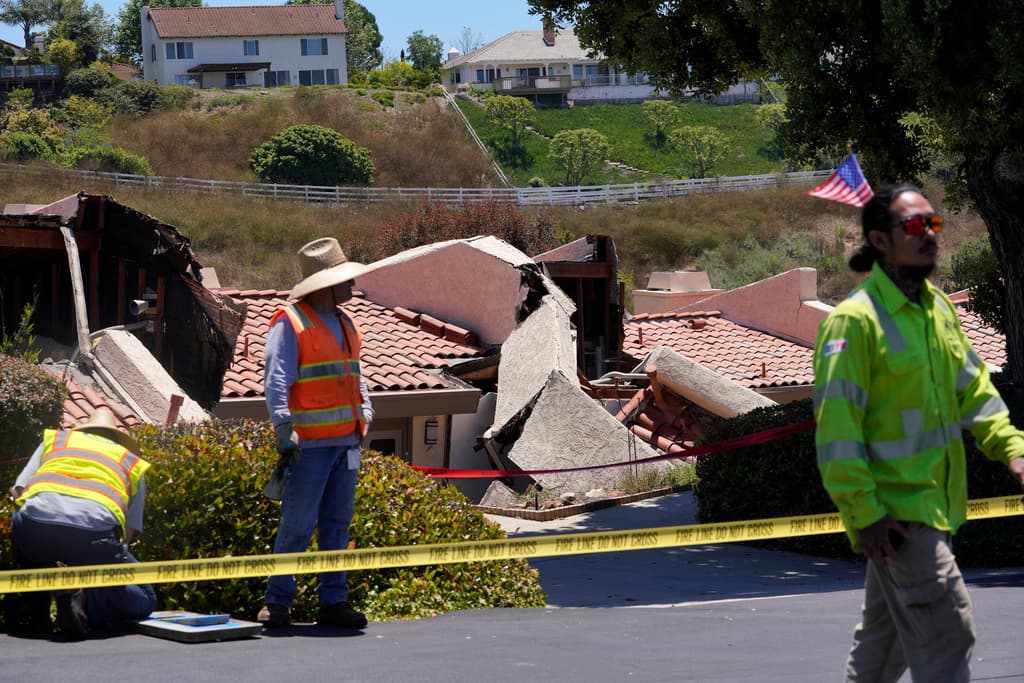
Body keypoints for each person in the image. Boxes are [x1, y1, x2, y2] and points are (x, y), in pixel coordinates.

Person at [813, 184, 1024, 681]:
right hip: (899, 519)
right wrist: (864, 512)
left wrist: (1013, 449)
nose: (929, 234)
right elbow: (837, 431)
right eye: (914, 225)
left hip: (933, 508)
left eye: (934, 223)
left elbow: (974, 390)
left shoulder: (937, 309)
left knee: (881, 653)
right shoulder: (853, 322)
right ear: (879, 240)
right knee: (949, 633)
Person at [258, 237, 374, 629]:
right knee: (298, 526)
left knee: (337, 526)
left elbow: (356, 375)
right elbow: (276, 379)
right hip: (309, 447)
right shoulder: (290, 322)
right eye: (345, 279)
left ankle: (333, 603)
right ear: (327, 284)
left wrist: (366, 411)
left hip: (346, 445)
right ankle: (277, 603)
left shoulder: (346, 323)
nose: (352, 284)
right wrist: (283, 427)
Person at [9, 407, 157, 640]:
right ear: (118, 438)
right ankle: (83, 599)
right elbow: (128, 534)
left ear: (82, 430)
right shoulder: (130, 461)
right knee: (146, 598)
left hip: (34, 528)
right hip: (92, 537)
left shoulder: (56, 442)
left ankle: (36, 613)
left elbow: (18, 491)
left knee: (29, 541)